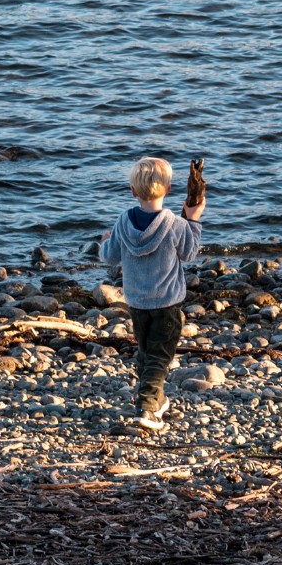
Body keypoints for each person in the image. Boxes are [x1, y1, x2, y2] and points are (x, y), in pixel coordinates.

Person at [99, 156, 205, 431]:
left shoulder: (123, 222)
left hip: (136, 301)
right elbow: (189, 253)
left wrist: (105, 243)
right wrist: (193, 220)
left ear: (133, 191)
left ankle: (156, 399)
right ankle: (146, 408)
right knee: (159, 356)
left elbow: (110, 258)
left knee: (147, 353)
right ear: (168, 189)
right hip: (167, 303)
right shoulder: (175, 224)